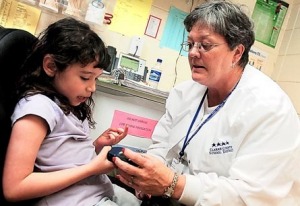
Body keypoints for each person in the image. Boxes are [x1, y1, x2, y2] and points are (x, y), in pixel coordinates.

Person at [112, 1, 300, 206]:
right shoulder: (183, 93)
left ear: (237, 53)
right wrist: (145, 178)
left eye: (205, 45)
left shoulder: (270, 108)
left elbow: (250, 196)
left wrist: (173, 184)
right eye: (190, 44)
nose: (193, 53)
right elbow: (162, 146)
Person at [2, 17, 140, 206]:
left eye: (96, 79)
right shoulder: (38, 108)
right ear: (51, 66)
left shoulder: (66, 103)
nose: (92, 88)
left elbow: (61, 156)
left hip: (94, 191)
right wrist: (92, 168)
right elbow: (14, 188)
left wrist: (96, 145)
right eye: (85, 78)